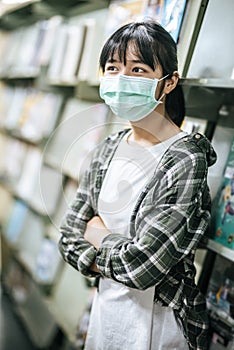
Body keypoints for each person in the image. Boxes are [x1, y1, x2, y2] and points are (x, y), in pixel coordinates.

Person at [59, 21, 217, 350]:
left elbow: (144, 267)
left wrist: (101, 237)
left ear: (169, 82)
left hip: (158, 330)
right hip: (106, 320)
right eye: (113, 68)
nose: (121, 79)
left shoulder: (185, 159)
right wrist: (120, 251)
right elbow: (68, 237)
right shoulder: (108, 148)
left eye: (138, 69)